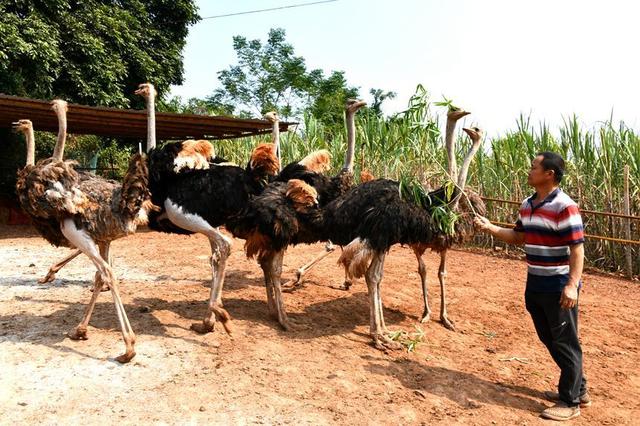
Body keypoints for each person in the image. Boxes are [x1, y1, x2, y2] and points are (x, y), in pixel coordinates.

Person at [474, 152, 590, 421]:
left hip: (559, 285)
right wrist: (490, 228)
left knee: (565, 341)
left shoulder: (564, 206)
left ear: (549, 174)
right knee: (549, 338)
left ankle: (570, 401)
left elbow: (577, 249)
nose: (529, 171)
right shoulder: (528, 204)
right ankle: (579, 387)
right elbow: (518, 237)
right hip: (535, 282)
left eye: (533, 167)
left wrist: (572, 285)